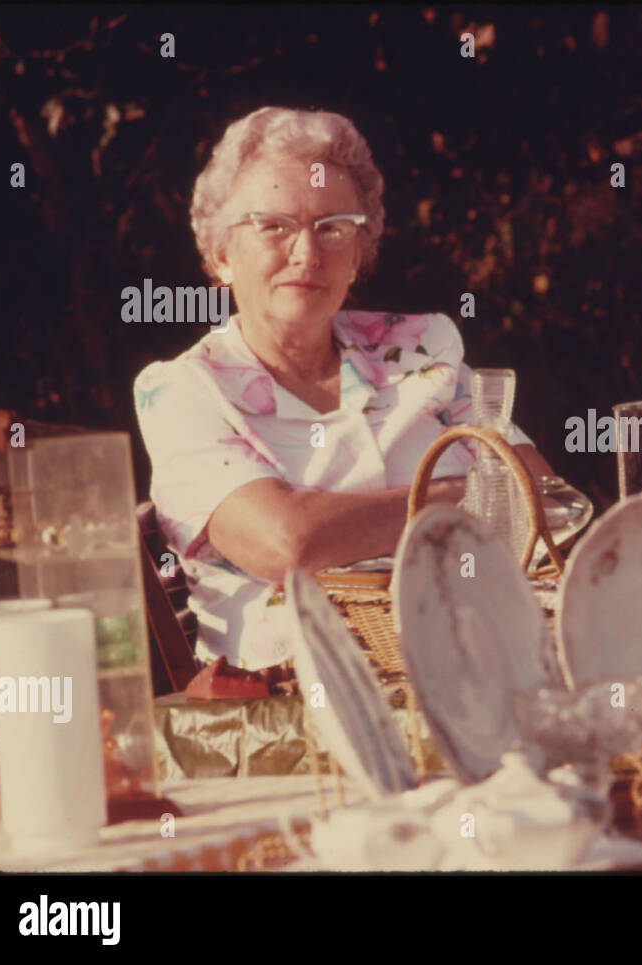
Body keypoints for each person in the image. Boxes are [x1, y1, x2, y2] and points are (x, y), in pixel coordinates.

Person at [134, 107, 552, 671]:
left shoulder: (425, 349)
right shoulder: (183, 392)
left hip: (477, 668)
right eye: (274, 226)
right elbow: (290, 544)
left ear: (358, 255)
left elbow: (544, 498)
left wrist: (357, 524)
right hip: (294, 704)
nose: (307, 253)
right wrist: (469, 499)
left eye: (332, 228)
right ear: (221, 254)